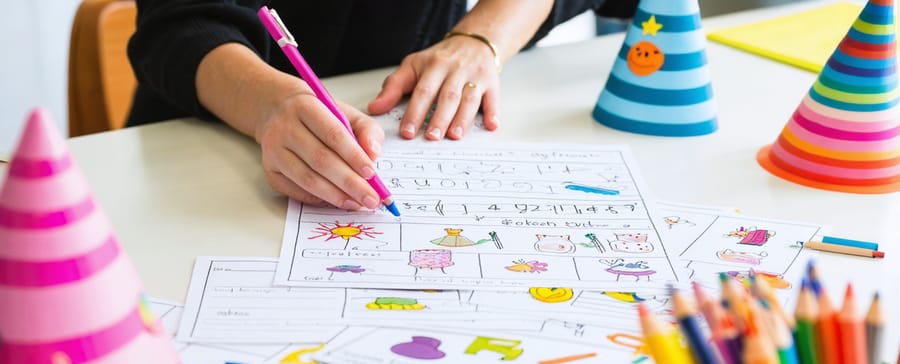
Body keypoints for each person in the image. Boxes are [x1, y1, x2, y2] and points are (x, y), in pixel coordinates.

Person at [127, 1, 637, 211]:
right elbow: (176, 24)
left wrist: (484, 36)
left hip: (413, 123)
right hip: (196, 159)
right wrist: (269, 104)